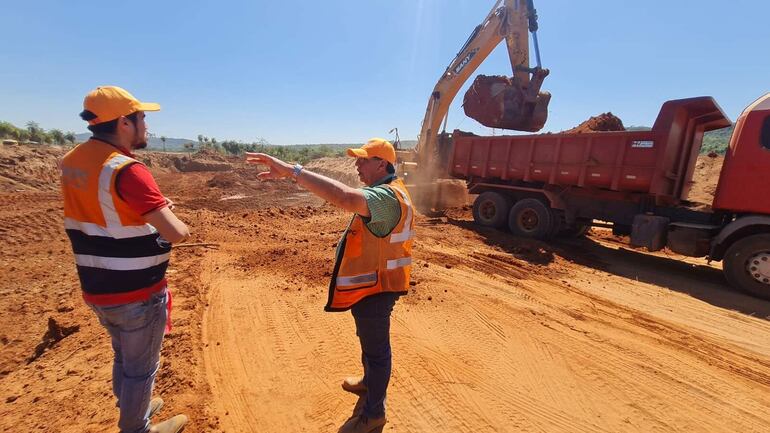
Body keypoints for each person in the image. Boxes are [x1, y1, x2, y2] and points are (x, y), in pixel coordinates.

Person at [246, 138, 414, 433]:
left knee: (377, 350)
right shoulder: (385, 191)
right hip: (372, 284)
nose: (356, 165)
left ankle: (373, 414)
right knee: (369, 341)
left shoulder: (387, 197)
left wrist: (292, 170)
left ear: (381, 164)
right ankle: (369, 382)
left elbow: (346, 198)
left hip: (378, 287)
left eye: (363, 160)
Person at [60, 86, 190, 433]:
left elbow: (106, 212)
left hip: (96, 285)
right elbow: (176, 232)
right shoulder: (126, 170)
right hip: (136, 292)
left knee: (124, 356)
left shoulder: (72, 161)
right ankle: (137, 426)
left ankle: (135, 404)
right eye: (141, 117)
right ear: (124, 123)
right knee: (141, 369)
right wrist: (173, 219)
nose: (146, 125)